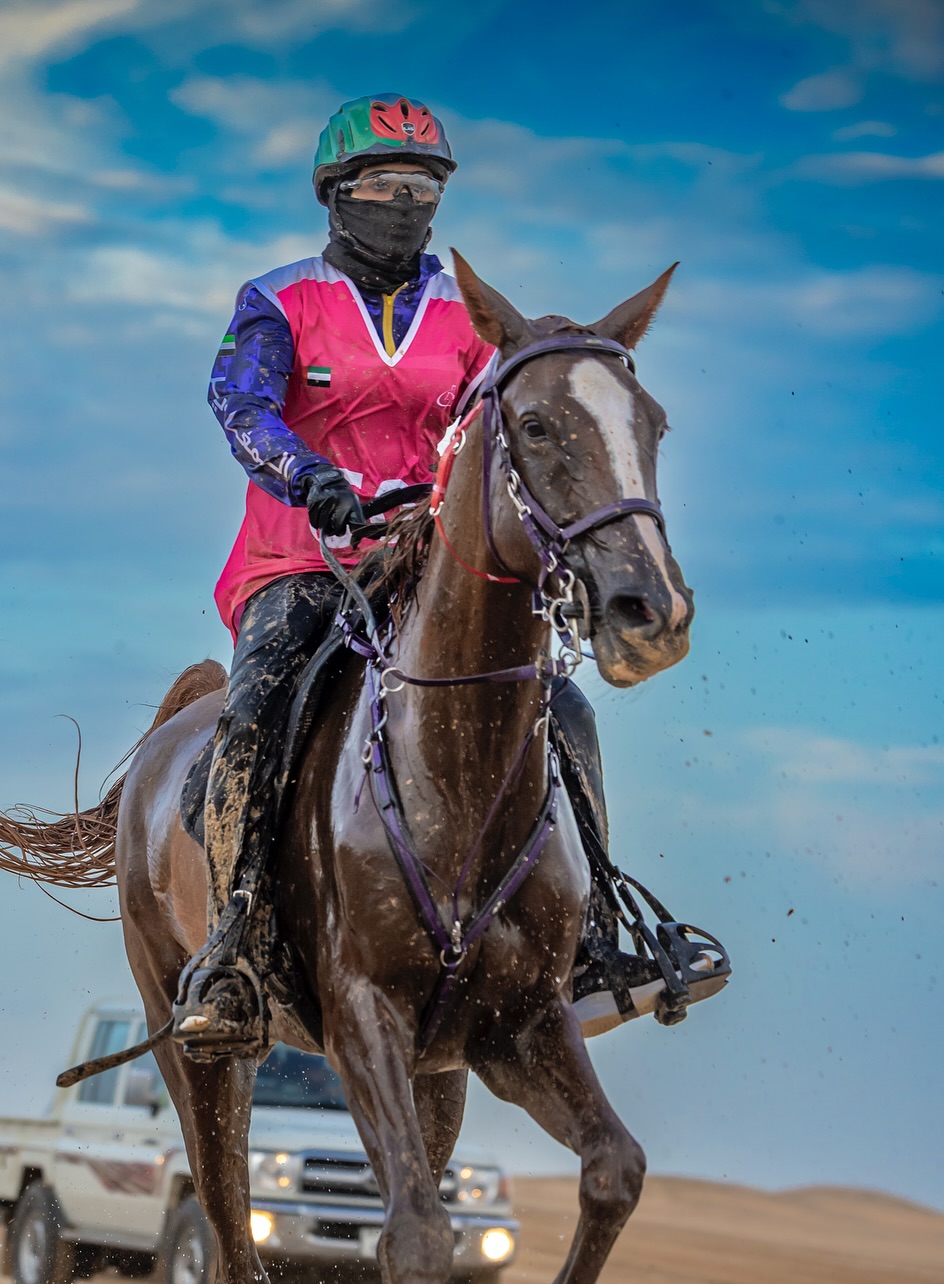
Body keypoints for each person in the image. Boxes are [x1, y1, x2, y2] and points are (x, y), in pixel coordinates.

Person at [172, 93, 727, 1055]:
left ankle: (598, 939)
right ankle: (234, 945)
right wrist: (309, 476)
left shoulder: (467, 317)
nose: (405, 201)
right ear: (336, 193)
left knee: (564, 705)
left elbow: (503, 434)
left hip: (424, 559)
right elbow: (240, 406)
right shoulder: (278, 299)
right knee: (258, 705)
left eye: (423, 185)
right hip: (301, 559)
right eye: (384, 182)